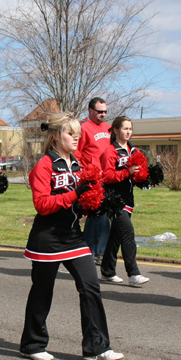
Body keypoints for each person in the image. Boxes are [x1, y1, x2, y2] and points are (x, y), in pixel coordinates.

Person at [20, 112, 124, 360]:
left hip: (74, 237)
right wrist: (75, 194)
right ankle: (32, 343)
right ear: (55, 136)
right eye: (70, 132)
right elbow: (42, 204)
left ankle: (96, 347)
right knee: (42, 291)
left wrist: (96, 203)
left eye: (78, 132)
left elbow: (83, 201)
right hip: (47, 238)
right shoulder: (43, 166)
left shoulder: (78, 165)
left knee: (90, 287)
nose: (76, 137)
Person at [99, 116, 149, 286]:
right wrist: (127, 172)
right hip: (112, 199)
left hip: (128, 198)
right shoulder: (110, 151)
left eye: (130, 129)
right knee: (127, 232)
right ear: (115, 130)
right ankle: (133, 273)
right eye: (125, 128)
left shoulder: (133, 150)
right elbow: (106, 176)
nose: (128, 132)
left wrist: (143, 177)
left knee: (116, 236)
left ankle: (107, 270)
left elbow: (138, 174)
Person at [77, 97, 111, 265]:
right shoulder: (82, 128)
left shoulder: (108, 128)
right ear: (91, 111)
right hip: (90, 178)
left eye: (105, 111)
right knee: (97, 214)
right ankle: (94, 251)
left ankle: (92, 250)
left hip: (107, 178)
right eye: (100, 112)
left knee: (99, 215)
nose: (103, 115)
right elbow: (76, 153)